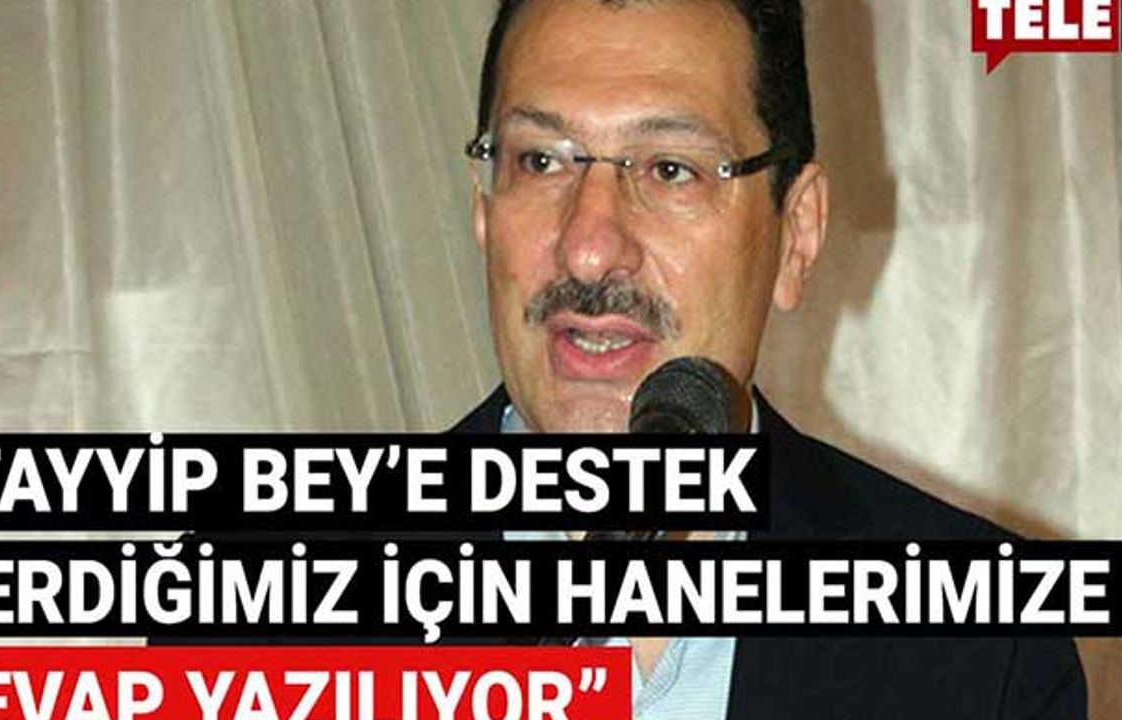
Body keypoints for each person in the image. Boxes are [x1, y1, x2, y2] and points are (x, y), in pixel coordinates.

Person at [451, 0, 1087, 718]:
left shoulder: (983, 653)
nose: (590, 249)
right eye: (540, 161)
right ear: (484, 210)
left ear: (797, 235)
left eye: (670, 170)